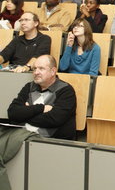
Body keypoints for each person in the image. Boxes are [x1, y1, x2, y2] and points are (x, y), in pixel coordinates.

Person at [2, 55, 76, 189]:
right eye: (35, 68)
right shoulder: (29, 87)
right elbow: (12, 113)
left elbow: (54, 119)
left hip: (47, 141)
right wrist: (40, 108)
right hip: (20, 134)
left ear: (53, 71)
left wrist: (25, 111)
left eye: (41, 68)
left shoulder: (66, 91)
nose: (36, 72)